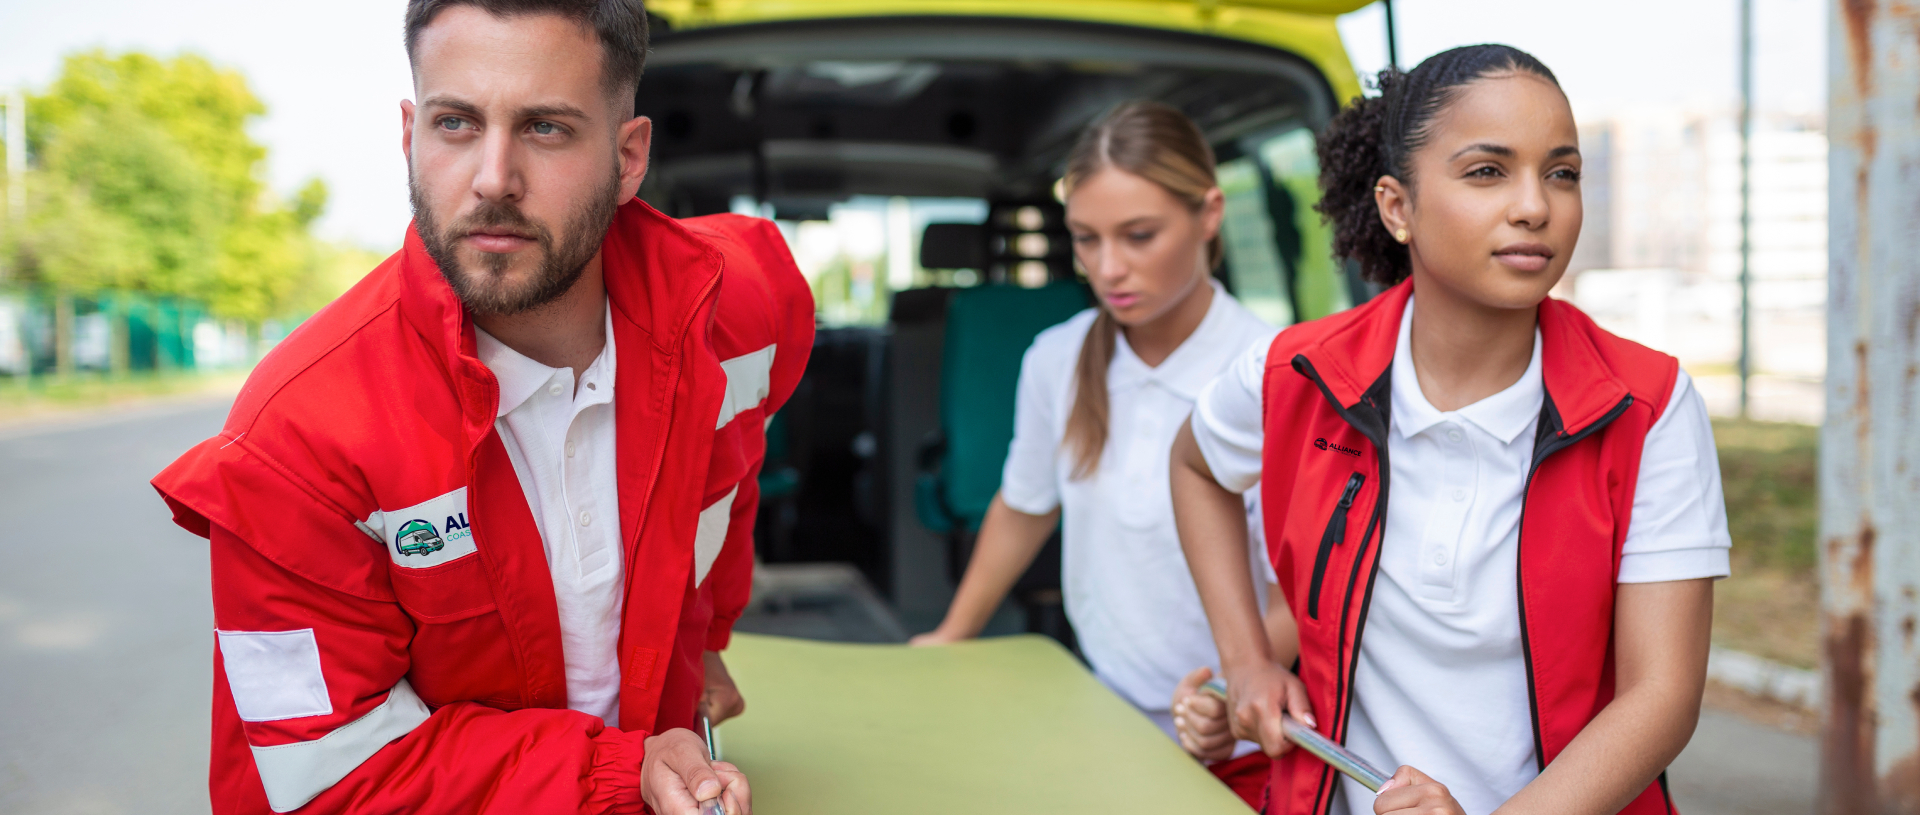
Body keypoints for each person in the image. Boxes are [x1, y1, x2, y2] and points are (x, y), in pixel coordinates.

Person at [150, 2, 813, 813]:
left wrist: (702, 639)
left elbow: (728, 471)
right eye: (457, 122)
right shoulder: (296, 436)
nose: (493, 177)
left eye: (545, 128)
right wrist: (616, 770)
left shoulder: (741, 303)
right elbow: (328, 780)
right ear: (409, 136)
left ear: (629, 155)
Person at [1169, 45, 1728, 815]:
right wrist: (1248, 657)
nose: (1536, 205)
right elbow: (1196, 466)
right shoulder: (1294, 372)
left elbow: (1661, 694)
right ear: (1397, 207)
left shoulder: (1648, 404)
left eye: (1561, 172)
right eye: (1487, 171)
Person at [908, 101, 1282, 807]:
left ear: (1209, 214)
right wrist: (953, 633)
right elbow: (1023, 506)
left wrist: (1233, 692)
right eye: (1086, 239)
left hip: (1239, 738)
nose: (1109, 268)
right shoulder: (1059, 357)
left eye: (1139, 235)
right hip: (1100, 711)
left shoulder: (1271, 371)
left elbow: (1302, 591)